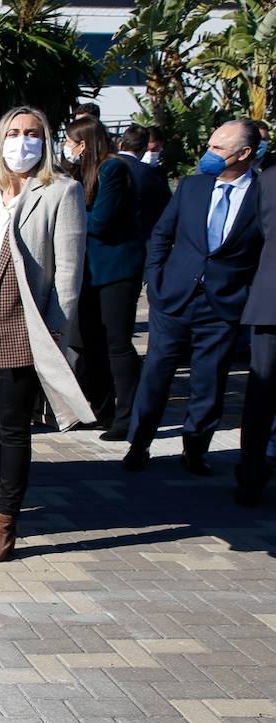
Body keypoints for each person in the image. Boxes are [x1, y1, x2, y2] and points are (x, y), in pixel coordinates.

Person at [0, 106, 93, 562]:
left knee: (13, 426)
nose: (22, 141)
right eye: (14, 132)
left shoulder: (60, 192)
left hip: (21, 318)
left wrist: (55, 330)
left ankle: (7, 520)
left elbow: (68, 271)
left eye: (33, 133)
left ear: (45, 140)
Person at [125, 120, 265, 475]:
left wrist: (246, 296)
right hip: (173, 298)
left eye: (219, 148)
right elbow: (161, 236)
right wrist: (154, 282)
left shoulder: (263, 195)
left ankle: (195, 449)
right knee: (156, 373)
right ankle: (139, 444)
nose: (209, 153)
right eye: (211, 144)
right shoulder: (192, 186)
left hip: (222, 305)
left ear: (244, 154)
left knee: (209, 379)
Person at [63, 117, 142, 441]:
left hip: (115, 271)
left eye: (71, 142)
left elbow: (102, 220)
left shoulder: (113, 169)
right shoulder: (81, 172)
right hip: (90, 271)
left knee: (117, 344)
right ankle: (99, 409)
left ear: (84, 144)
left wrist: (70, 213)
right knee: (91, 343)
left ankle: (127, 416)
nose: (67, 148)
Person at [236, 166, 276, 504]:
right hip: (269, 304)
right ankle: (252, 472)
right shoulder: (269, 179)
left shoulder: (267, 178)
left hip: (269, 301)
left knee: (262, 396)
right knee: (261, 394)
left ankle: (251, 475)